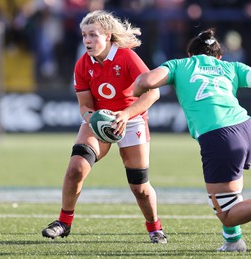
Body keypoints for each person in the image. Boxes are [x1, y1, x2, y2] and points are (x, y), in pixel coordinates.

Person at [134, 28, 251, 252]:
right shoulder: (230, 67)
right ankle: (233, 242)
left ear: (190, 55)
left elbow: (146, 80)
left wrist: (136, 90)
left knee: (228, 215)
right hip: (247, 129)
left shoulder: (179, 65)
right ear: (218, 57)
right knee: (229, 196)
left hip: (220, 137)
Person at [41, 10, 167, 244]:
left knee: (139, 187)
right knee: (76, 168)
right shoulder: (82, 64)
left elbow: (153, 92)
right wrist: (94, 118)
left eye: (93, 35)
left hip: (132, 120)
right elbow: (84, 106)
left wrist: (125, 115)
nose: (87, 40)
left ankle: (155, 228)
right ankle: (63, 222)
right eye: (84, 35)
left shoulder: (127, 57)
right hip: (99, 120)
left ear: (108, 36)